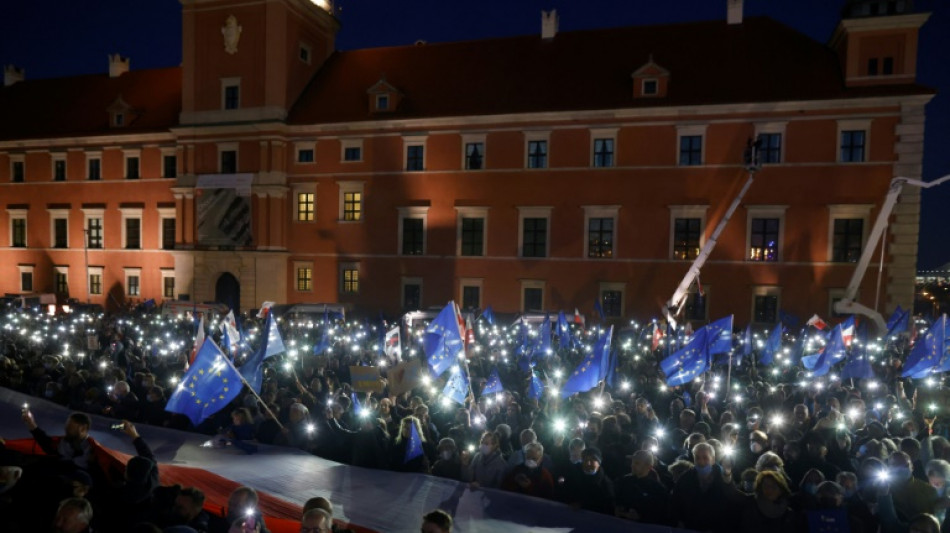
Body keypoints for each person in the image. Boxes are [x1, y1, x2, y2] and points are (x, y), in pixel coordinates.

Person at [670, 442, 739, 532]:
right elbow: (675, 502)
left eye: (705, 458)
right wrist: (679, 522)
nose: (701, 462)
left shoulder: (723, 476)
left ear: (713, 459)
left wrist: (727, 476)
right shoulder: (686, 478)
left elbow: (732, 497)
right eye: (697, 458)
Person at [21, 409, 95, 470]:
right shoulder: (64, 443)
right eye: (66, 427)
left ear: (83, 429)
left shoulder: (92, 452)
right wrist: (31, 423)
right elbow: (47, 444)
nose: (66, 431)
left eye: (70, 428)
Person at [615, 450, 669, 525]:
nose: (632, 465)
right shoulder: (624, 481)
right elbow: (616, 500)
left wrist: (641, 516)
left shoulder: (657, 489)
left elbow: (660, 514)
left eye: (637, 463)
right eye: (632, 462)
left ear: (649, 467)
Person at [562, 447, 615, 515]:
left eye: (592, 460)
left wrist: (583, 505)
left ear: (599, 463)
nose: (588, 463)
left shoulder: (606, 485)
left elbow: (607, 508)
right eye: (586, 460)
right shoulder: (573, 474)